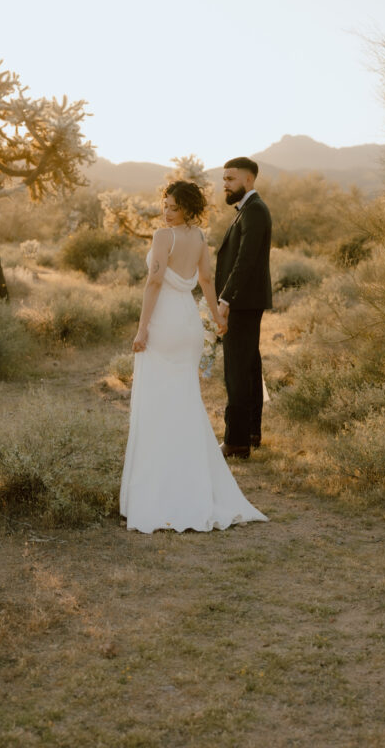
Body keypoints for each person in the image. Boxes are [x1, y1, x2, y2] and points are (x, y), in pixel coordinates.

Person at [120, 179, 267, 533]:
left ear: (185, 208)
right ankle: (190, 483)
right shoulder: (199, 237)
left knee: (157, 402)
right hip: (187, 323)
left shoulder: (162, 237)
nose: (165, 212)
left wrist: (142, 330)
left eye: (172, 206)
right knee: (184, 399)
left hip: (165, 323)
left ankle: (162, 490)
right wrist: (216, 318)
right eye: (164, 205)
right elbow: (206, 280)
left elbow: (153, 283)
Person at [216, 157, 272, 459]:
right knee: (248, 368)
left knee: (237, 370)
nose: (225, 184)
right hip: (246, 302)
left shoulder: (255, 211)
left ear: (248, 181)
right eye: (224, 179)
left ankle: (236, 440)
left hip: (242, 303)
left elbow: (245, 261)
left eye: (230, 179)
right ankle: (250, 433)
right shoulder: (250, 210)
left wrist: (225, 299)